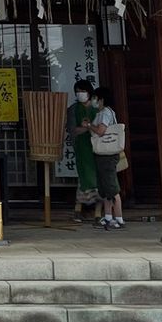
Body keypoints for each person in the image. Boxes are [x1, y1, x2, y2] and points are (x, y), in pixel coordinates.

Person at [87, 84, 125, 229]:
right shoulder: (105, 112)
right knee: (105, 188)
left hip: (108, 154)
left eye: (95, 98)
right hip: (103, 153)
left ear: (101, 99)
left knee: (112, 187)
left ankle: (119, 219)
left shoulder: (105, 113)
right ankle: (108, 216)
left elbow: (101, 131)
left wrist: (89, 125)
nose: (94, 100)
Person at [69, 79, 99, 222]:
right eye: (77, 92)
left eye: (82, 91)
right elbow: (73, 130)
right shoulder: (74, 110)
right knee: (84, 178)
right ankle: (80, 209)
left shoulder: (97, 108)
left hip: (98, 148)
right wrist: (86, 127)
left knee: (99, 178)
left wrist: (89, 127)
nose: (80, 94)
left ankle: (98, 210)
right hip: (82, 148)